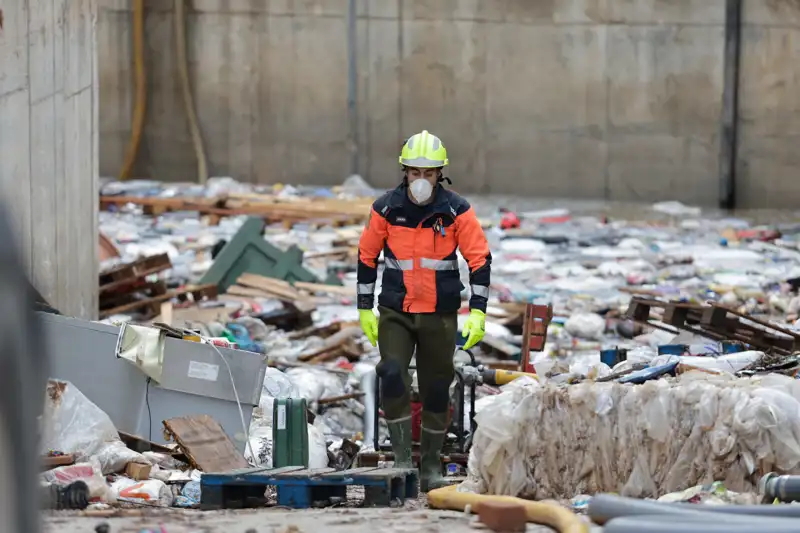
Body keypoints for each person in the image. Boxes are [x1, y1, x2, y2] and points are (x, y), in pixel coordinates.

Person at [356, 130, 491, 491]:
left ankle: (430, 465)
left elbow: (479, 259)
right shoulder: (386, 208)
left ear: (440, 174)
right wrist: (364, 308)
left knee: (436, 387)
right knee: (393, 374)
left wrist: (478, 311)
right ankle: (402, 461)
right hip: (396, 311)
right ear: (404, 171)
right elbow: (367, 256)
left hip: (439, 314)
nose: (420, 180)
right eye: (414, 172)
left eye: (428, 173)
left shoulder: (455, 210)